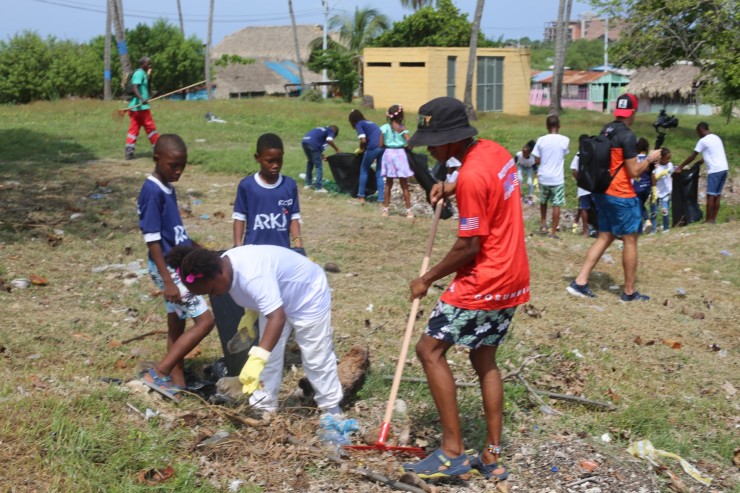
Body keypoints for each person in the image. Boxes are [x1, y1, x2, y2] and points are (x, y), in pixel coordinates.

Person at [401, 97, 530, 481]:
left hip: (485, 278)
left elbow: (468, 246)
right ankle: (491, 456)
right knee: (483, 358)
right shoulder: (494, 153)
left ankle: (452, 451)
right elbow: (484, 184)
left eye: (436, 141)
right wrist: (451, 187)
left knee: (429, 350)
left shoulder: (471, 177)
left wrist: (427, 279)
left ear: (455, 138)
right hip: (513, 275)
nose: (431, 148)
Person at [165, 245, 344, 415]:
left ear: (218, 274)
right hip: (279, 299)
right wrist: (250, 314)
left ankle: (331, 409)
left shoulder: (252, 276)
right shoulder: (222, 267)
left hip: (307, 293)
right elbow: (264, 299)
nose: (214, 295)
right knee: (269, 356)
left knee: (315, 356)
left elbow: (277, 317)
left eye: (211, 290)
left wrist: (258, 358)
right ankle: (264, 407)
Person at [136, 134, 215, 400]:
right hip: (167, 268)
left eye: (183, 165)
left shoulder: (168, 186)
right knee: (205, 321)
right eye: (173, 165)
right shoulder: (151, 191)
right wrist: (168, 281)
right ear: (157, 160)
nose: (179, 171)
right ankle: (158, 372)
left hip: (177, 263)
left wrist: (202, 251)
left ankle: (176, 381)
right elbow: (153, 241)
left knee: (177, 324)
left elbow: (176, 234)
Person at [566, 93, 661, 302]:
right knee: (630, 239)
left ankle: (580, 282)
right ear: (633, 112)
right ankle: (628, 292)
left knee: (605, 236)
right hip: (620, 194)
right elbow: (634, 171)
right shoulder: (627, 136)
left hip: (602, 192)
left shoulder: (607, 129)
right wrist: (651, 159)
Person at [233, 133, 303, 252]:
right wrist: (237, 246)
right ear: (257, 158)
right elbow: (239, 218)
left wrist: (298, 245)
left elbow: (293, 218)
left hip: (281, 251)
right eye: (270, 161)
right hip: (253, 251)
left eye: (279, 161)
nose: (275, 165)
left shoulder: (289, 185)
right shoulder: (247, 185)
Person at [675, 122, 729, 224]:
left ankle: (708, 220)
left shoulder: (703, 141)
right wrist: (703, 160)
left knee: (711, 195)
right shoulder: (716, 137)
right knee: (717, 195)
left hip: (715, 170)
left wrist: (680, 167)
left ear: (701, 130)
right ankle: (714, 219)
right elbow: (714, 152)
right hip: (724, 168)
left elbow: (693, 156)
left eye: (698, 133)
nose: (698, 135)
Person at [532, 115, 569, 238]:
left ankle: (543, 224)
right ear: (559, 126)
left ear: (547, 126)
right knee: (556, 204)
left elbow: (536, 159)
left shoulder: (541, 140)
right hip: (557, 178)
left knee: (543, 201)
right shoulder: (565, 140)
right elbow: (563, 153)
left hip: (544, 176)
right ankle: (553, 232)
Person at [379, 104, 414, 218]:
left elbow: (380, 144)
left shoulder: (384, 127)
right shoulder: (402, 128)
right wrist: (407, 148)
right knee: (404, 184)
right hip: (400, 154)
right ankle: (408, 210)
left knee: (388, 184)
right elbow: (410, 143)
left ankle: (386, 209)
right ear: (400, 115)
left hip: (388, 154)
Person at [125, 57, 160, 161]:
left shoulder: (143, 74)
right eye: (148, 63)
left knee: (133, 130)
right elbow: (135, 87)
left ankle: (129, 152)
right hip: (140, 108)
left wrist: (149, 76)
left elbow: (144, 87)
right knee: (151, 129)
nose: (150, 65)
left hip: (136, 108)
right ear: (142, 64)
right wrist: (142, 99)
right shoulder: (139, 73)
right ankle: (158, 151)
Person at [349, 109, 383, 205]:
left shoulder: (359, 124)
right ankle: (381, 201)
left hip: (372, 147)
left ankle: (361, 196)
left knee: (364, 169)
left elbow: (363, 140)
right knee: (379, 173)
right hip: (382, 147)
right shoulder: (370, 122)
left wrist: (361, 149)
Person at [570, 134, 597, 239]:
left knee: (584, 208)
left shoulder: (578, 155)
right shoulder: (594, 154)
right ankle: (596, 228)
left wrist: (579, 181)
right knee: (595, 207)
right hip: (593, 185)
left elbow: (574, 170)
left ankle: (585, 232)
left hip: (583, 186)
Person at [301, 125, 340, 192]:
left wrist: (321, 155)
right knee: (318, 166)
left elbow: (316, 142)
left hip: (305, 141)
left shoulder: (322, 129)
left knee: (310, 162)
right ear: (335, 132)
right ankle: (318, 187)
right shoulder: (331, 131)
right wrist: (336, 149)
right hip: (313, 144)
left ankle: (307, 184)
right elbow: (329, 140)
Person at [632, 138, 655, 234]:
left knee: (638, 207)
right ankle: (642, 226)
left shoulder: (634, 159)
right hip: (647, 187)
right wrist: (654, 189)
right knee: (640, 205)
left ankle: (645, 221)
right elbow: (652, 174)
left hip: (637, 187)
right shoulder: (648, 159)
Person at [652, 147, 675, 233]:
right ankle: (653, 230)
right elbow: (653, 178)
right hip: (656, 192)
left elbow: (671, 172)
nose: (668, 160)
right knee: (654, 212)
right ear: (660, 158)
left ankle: (666, 228)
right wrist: (659, 175)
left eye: (669, 158)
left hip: (666, 191)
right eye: (667, 158)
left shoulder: (669, 165)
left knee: (665, 210)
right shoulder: (656, 167)